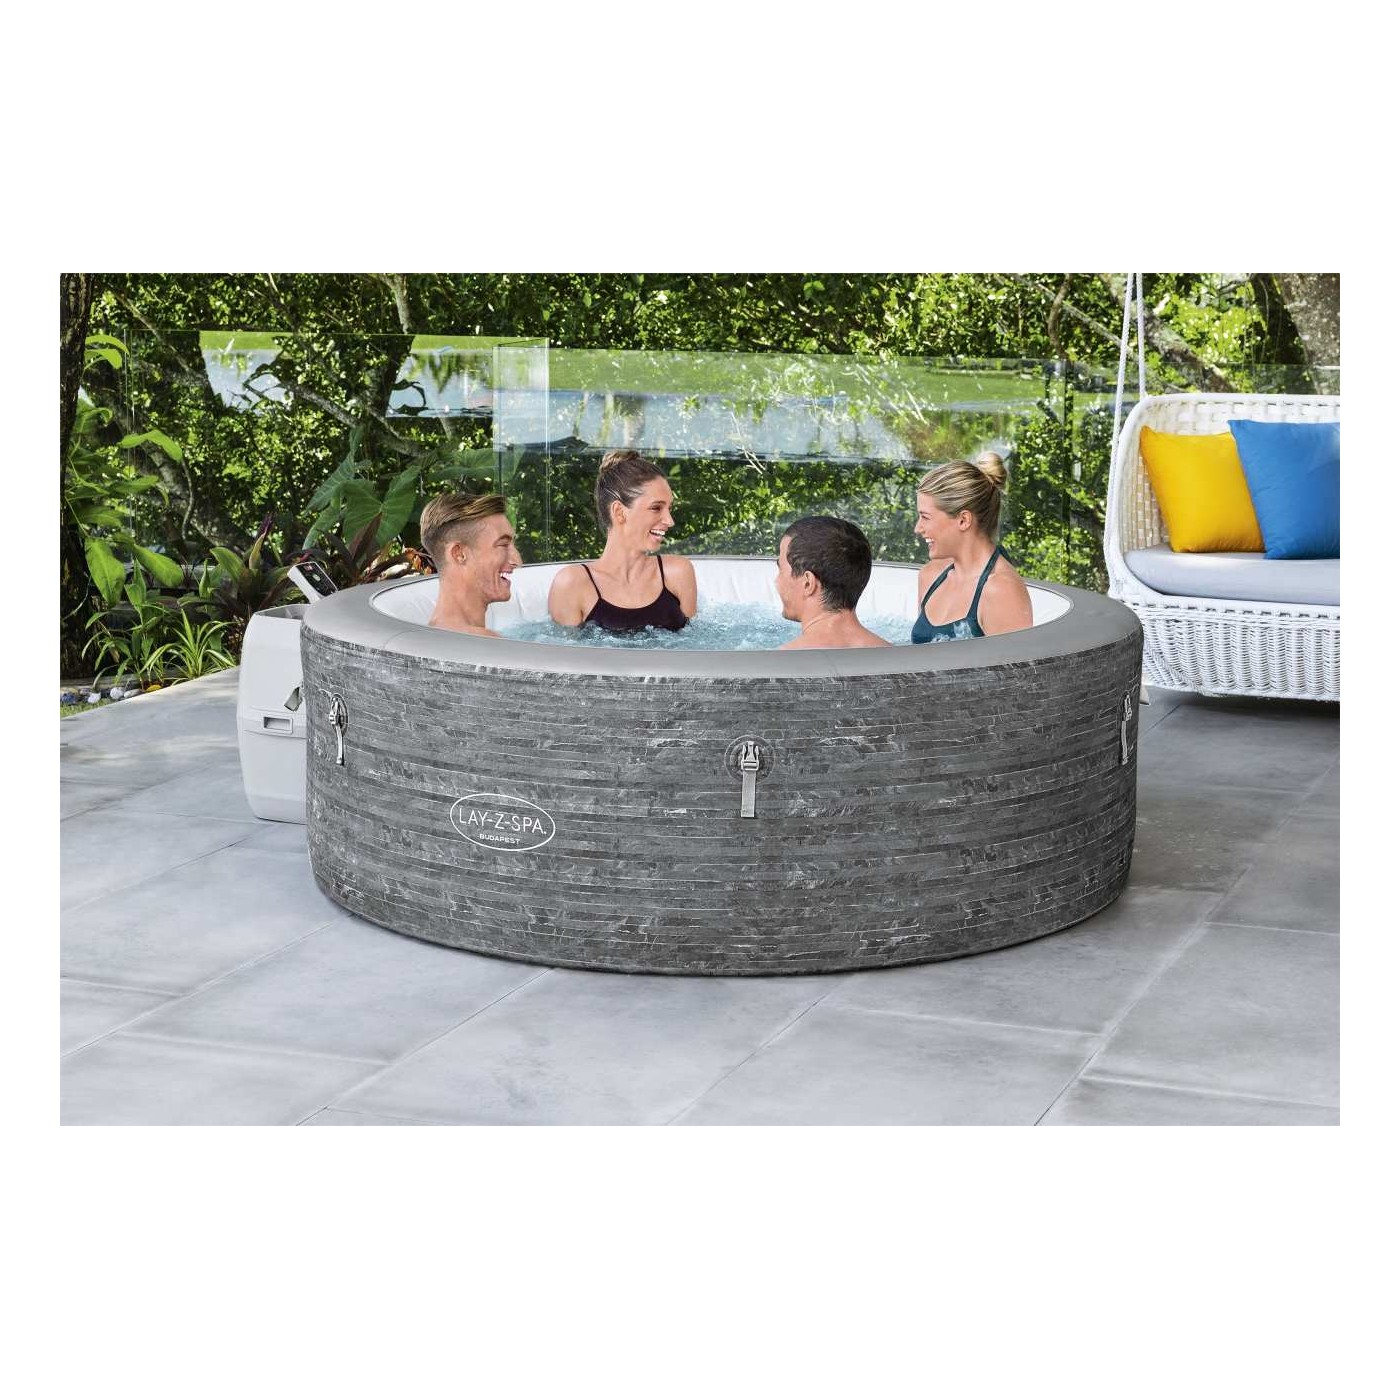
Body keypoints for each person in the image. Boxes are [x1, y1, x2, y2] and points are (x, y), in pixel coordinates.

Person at [548, 450, 698, 633]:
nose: (670, 521)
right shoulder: (572, 584)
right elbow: (561, 651)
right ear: (619, 512)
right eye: (656, 508)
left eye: (669, 508)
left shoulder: (677, 573)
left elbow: (694, 644)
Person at [911, 452, 1033, 644]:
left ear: (963, 520)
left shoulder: (1001, 591)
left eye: (925, 517)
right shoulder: (930, 576)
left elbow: (1017, 664)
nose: (918, 528)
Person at [776, 516, 891, 650]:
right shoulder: (894, 654)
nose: (776, 581)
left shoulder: (781, 659)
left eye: (780, 569)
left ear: (808, 583)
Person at [419, 491, 522, 636]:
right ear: (459, 554)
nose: (517, 561)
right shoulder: (486, 642)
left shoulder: (434, 634)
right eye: (503, 545)